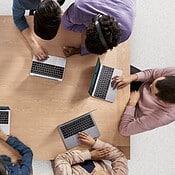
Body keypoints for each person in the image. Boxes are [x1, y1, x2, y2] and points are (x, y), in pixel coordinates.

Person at [111, 67, 175, 136]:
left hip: (133, 107)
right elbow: (152, 74)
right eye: (154, 81)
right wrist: (131, 78)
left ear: (160, 99)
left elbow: (124, 130)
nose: (150, 85)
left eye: (151, 90)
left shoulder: (165, 115)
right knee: (114, 70)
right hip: (140, 83)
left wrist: (131, 105)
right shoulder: (173, 72)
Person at [61, 0, 136, 57]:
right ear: (89, 26)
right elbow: (65, 23)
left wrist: (80, 50)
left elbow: (102, 44)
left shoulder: (125, 32)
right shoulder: (80, 8)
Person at [53, 131, 128, 175]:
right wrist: (94, 144)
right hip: (86, 146)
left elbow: (61, 159)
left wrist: (90, 155)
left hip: (62, 149)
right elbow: (119, 157)